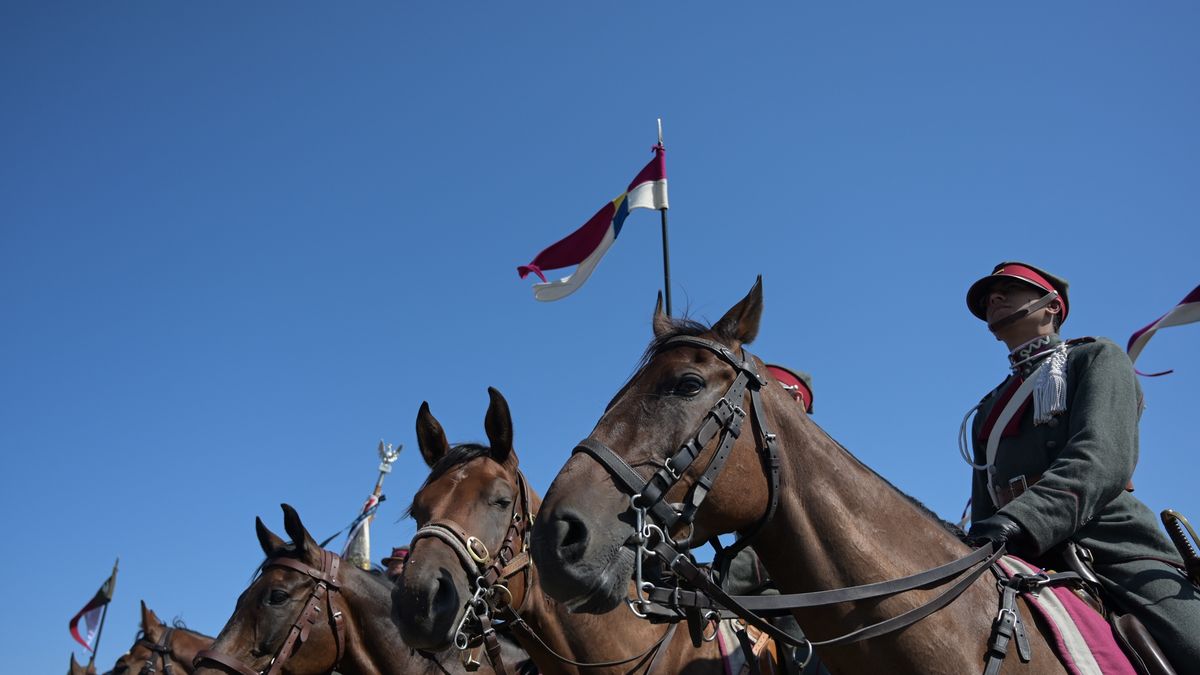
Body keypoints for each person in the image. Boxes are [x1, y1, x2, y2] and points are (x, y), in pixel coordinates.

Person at [962, 261, 1200, 670]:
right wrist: (973, 549)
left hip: (1107, 545)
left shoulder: (1095, 358)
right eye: (988, 297)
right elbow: (985, 501)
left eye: (1009, 289)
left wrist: (1021, 521)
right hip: (1016, 552)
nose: (994, 299)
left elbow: (1101, 458)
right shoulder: (987, 410)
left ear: (1051, 305)